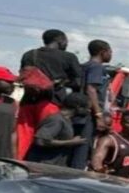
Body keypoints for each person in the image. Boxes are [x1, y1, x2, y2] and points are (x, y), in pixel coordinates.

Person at [70, 40, 113, 170]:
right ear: (103, 52)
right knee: (83, 148)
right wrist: (99, 114)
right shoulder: (97, 67)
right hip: (89, 113)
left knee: (78, 145)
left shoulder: (84, 66)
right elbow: (91, 89)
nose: (111, 55)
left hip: (79, 111)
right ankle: (77, 174)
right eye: (110, 52)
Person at [25, 93, 89, 166]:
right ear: (78, 106)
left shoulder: (67, 120)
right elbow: (40, 140)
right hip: (42, 165)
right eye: (86, 107)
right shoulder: (57, 120)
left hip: (52, 165)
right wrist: (70, 142)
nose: (88, 110)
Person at [20, 29, 82, 104]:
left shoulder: (29, 54)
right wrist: (63, 82)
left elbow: (23, 75)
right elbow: (78, 82)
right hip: (54, 102)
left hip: (29, 101)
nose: (67, 44)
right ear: (59, 40)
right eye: (66, 41)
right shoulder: (69, 57)